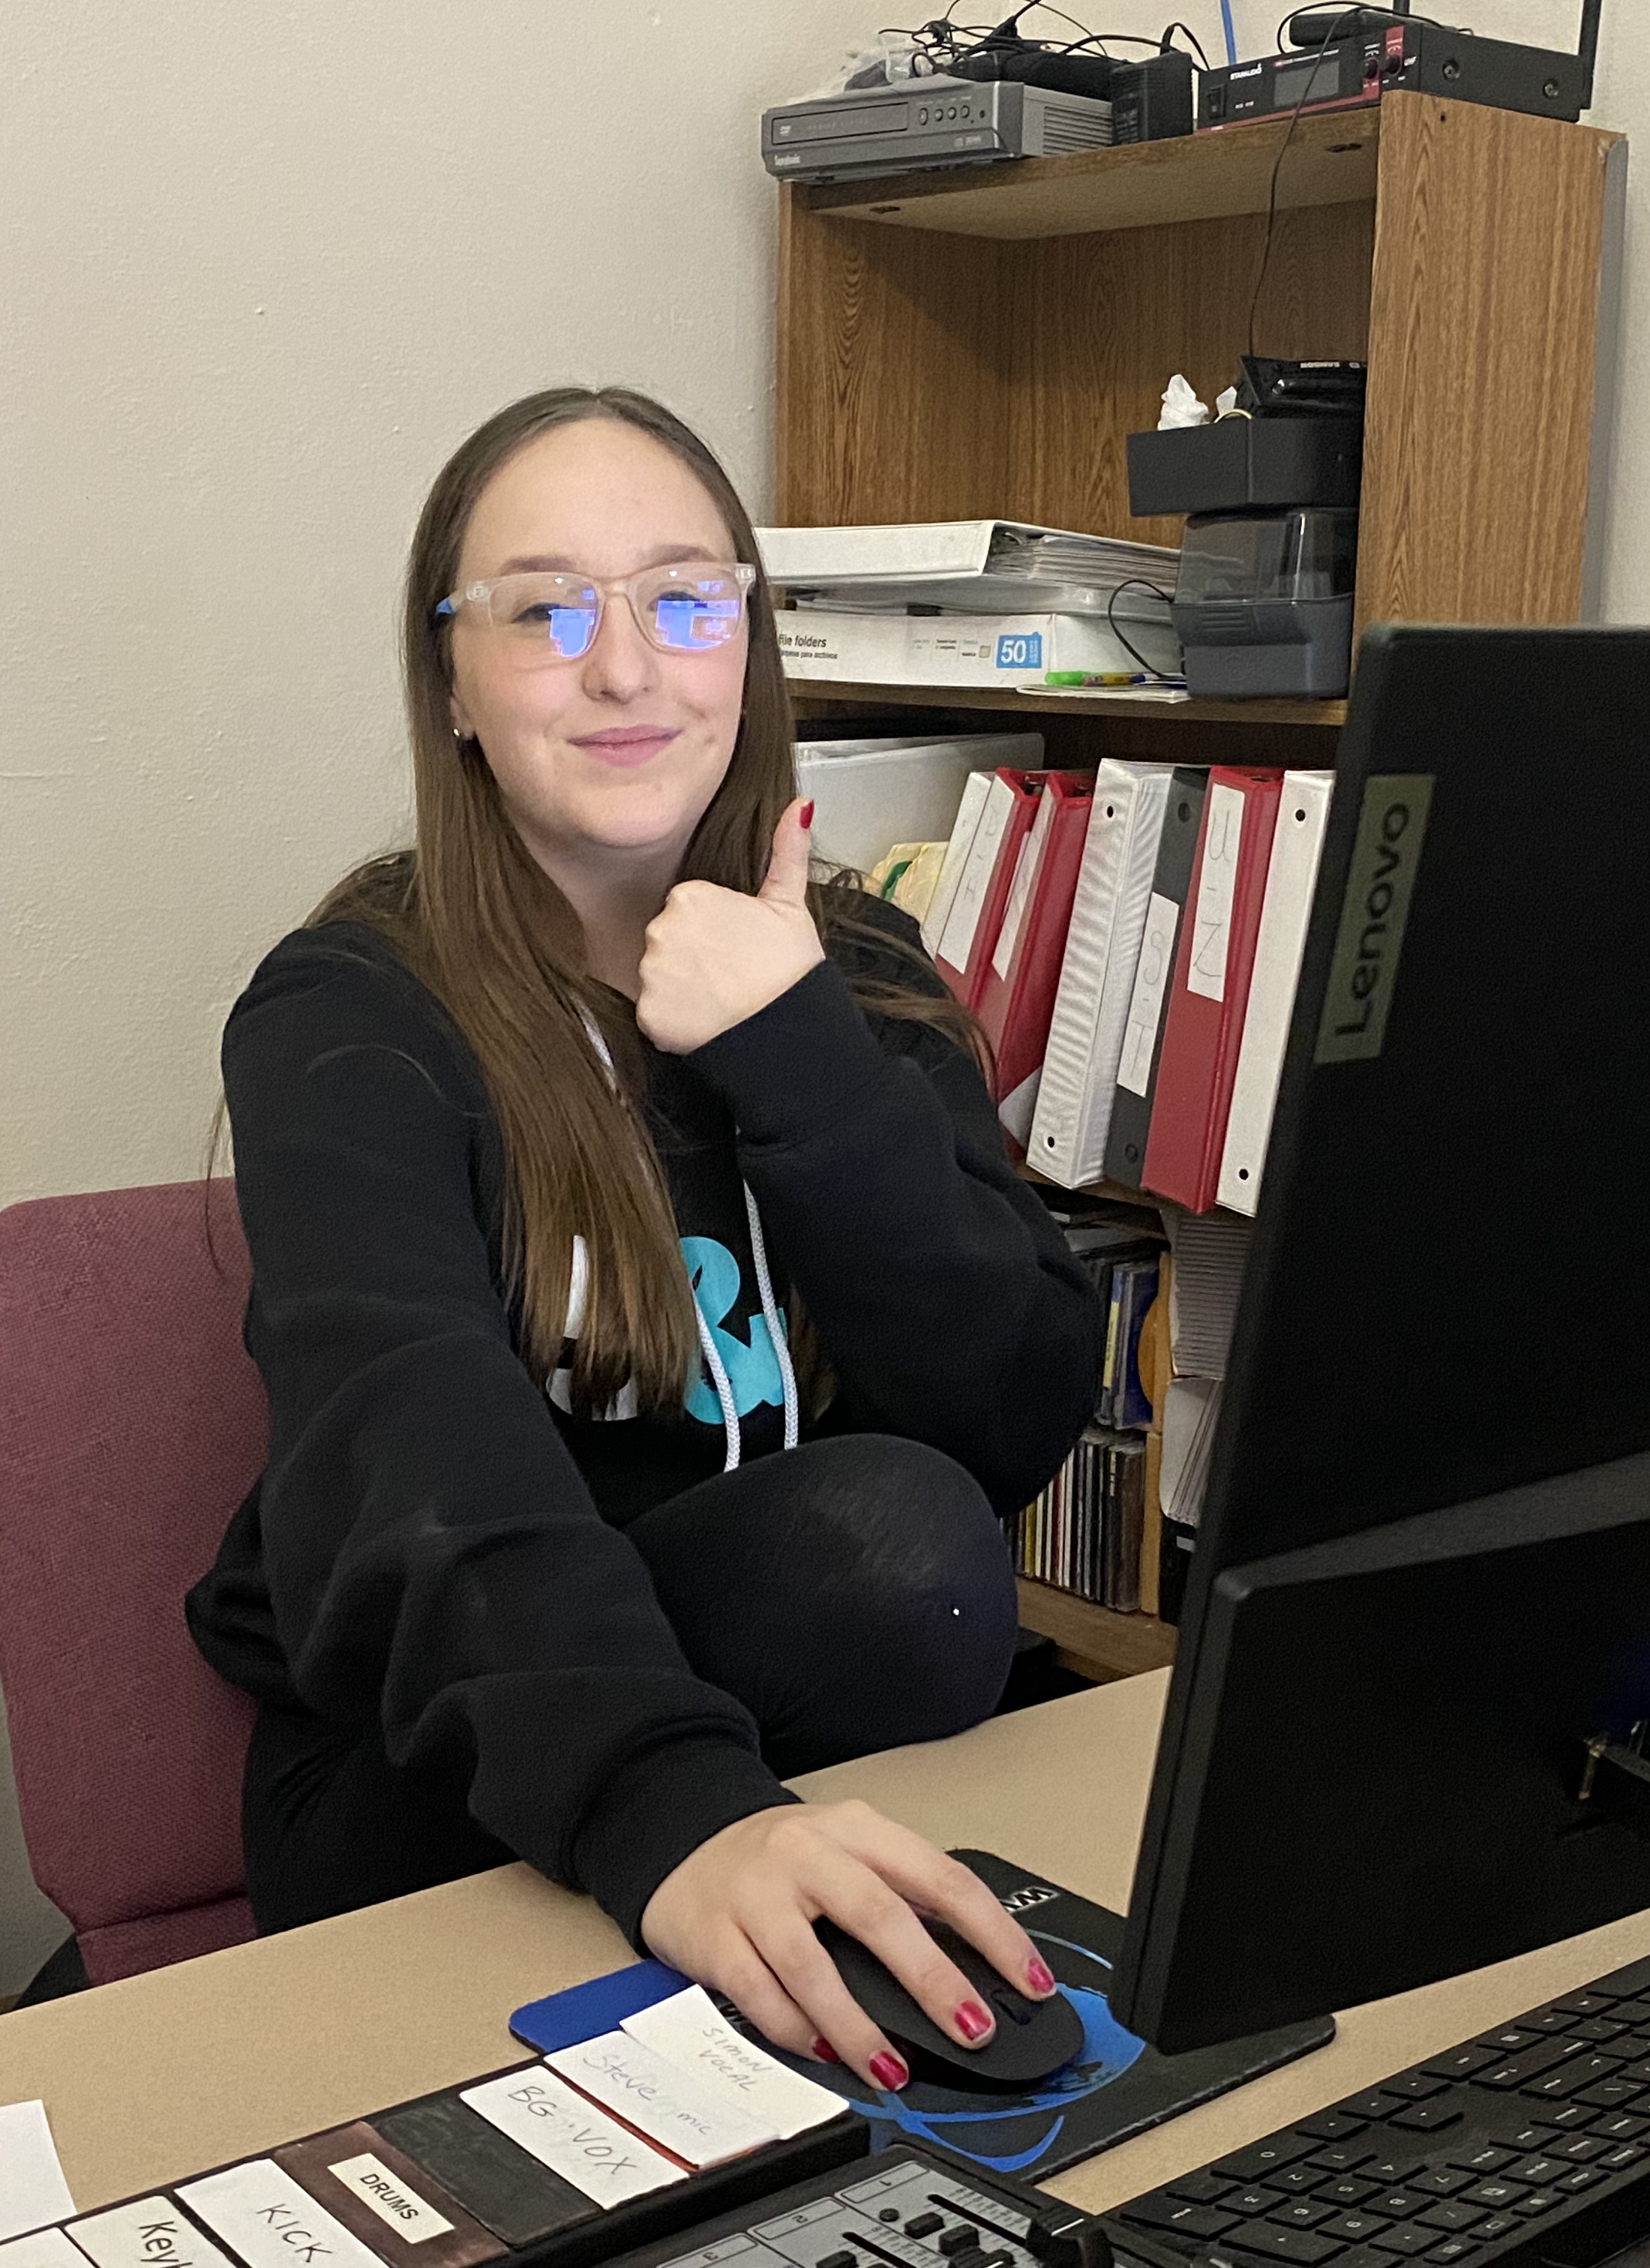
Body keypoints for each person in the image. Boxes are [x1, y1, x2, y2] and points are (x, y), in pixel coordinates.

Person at [186, 386, 1101, 2089]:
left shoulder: (858, 981)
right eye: (544, 612)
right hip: (453, 1771)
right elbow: (413, 1444)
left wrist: (795, 1051)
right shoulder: (347, 1016)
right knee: (891, 1544)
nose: (627, 670)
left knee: (914, 1558)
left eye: (687, 601)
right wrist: (673, 1814)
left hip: (793, 1749)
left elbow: (1016, 1413)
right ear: (449, 680)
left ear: (745, 652)